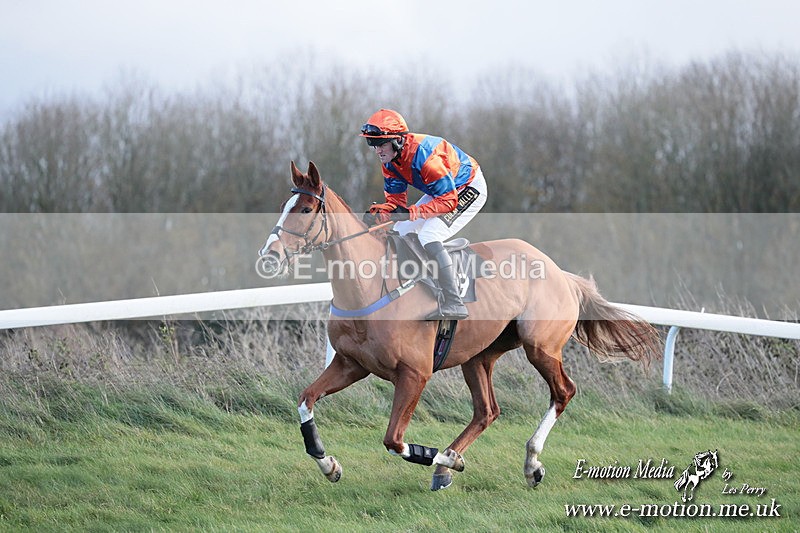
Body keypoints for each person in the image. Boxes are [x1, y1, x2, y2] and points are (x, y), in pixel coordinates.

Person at [360, 108, 488, 320]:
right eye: (373, 144)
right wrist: (380, 214)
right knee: (400, 230)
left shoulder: (426, 157)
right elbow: (396, 203)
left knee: (429, 235)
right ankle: (419, 285)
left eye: (381, 144)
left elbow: (449, 201)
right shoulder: (390, 163)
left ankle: (454, 301)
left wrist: (412, 212)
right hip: (441, 192)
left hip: (467, 188)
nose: (377, 150)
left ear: (397, 141)